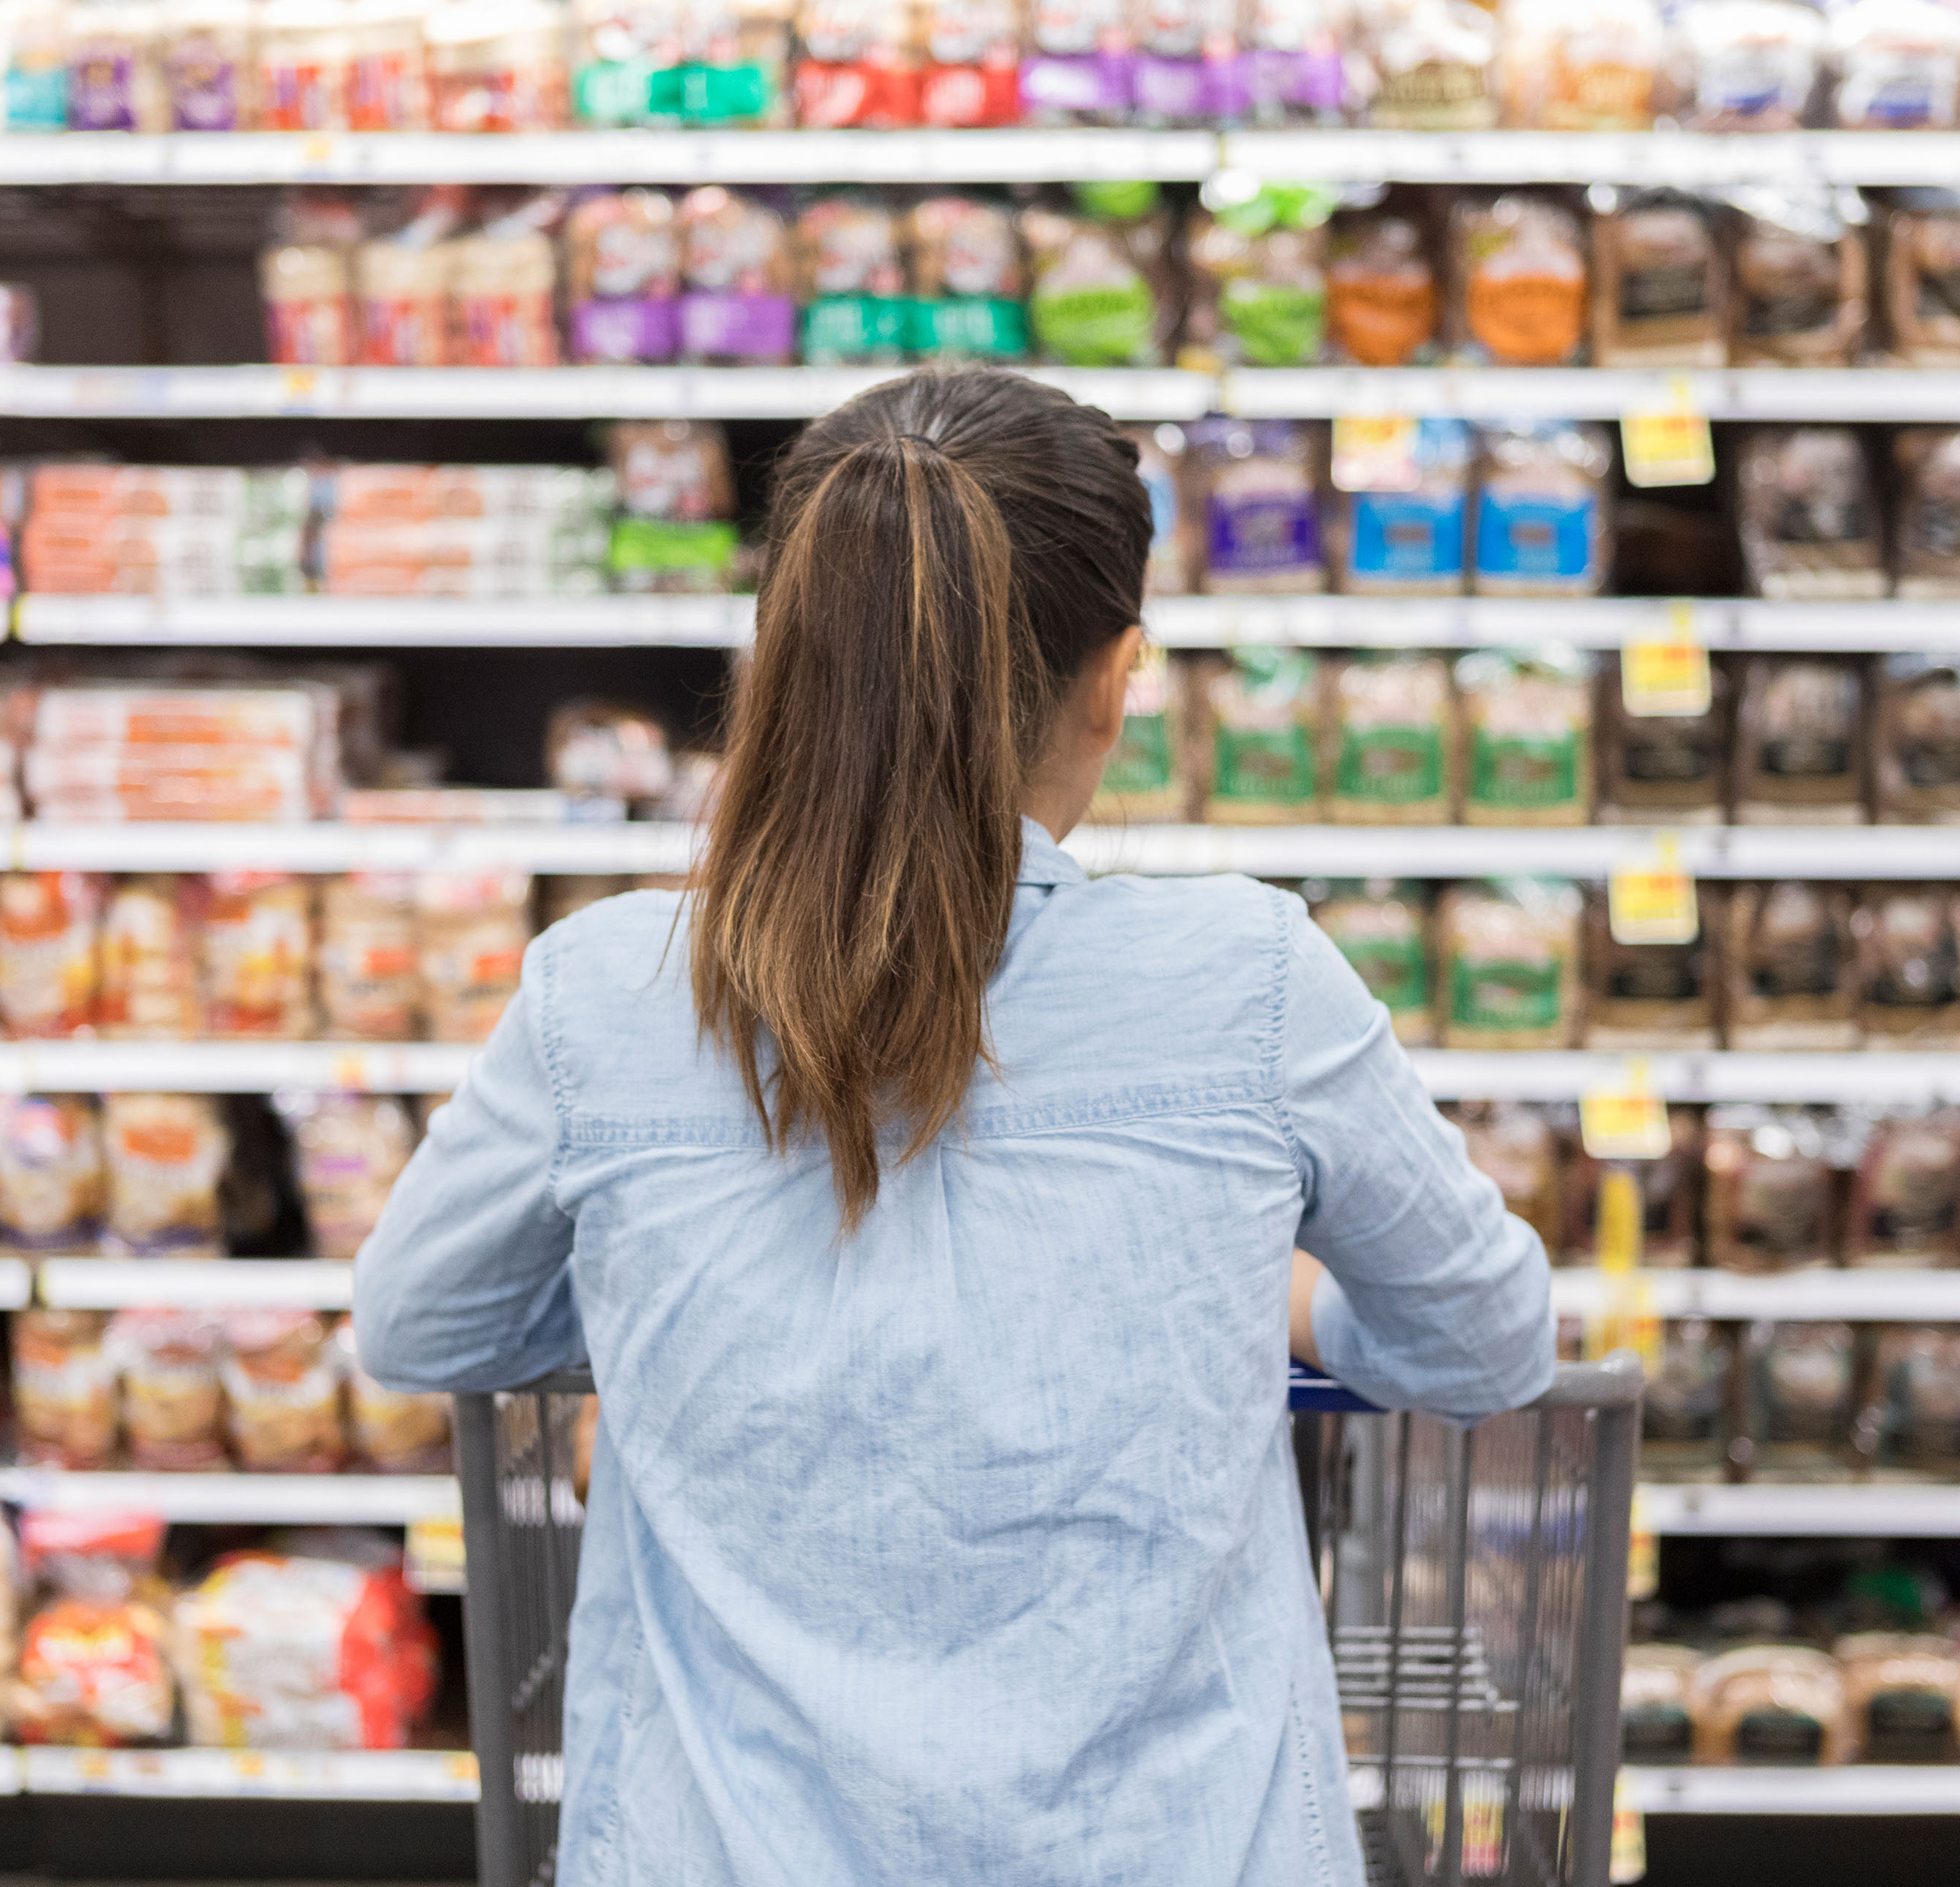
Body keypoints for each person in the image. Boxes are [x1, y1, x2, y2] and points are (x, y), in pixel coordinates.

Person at [353, 366, 1553, 1886]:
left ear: (789, 653)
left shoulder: (607, 990)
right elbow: (1491, 1338)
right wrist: (1280, 1289)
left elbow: (420, 1319)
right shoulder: (1253, 979)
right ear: (1116, 675)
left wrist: (664, 1331)